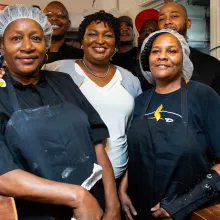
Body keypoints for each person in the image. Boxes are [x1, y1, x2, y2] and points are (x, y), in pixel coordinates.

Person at [0, 5, 119, 220]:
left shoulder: (63, 82)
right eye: (16, 39)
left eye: (36, 38)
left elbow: (98, 145)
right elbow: (3, 176)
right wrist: (77, 196)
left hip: (96, 210)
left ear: (46, 44)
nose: (27, 47)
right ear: (1, 46)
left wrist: (113, 207)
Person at [44, 11, 142, 215]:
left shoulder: (130, 80)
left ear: (116, 43)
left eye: (107, 35)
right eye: (92, 34)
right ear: (82, 40)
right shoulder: (57, 71)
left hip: (116, 181)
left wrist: (122, 188)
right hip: (70, 183)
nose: (100, 40)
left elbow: (134, 137)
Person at [119, 29, 220, 220]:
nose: (162, 57)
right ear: (147, 60)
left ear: (183, 59)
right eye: (156, 51)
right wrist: (123, 190)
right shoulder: (140, 101)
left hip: (188, 212)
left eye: (171, 51)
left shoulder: (203, 96)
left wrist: (180, 205)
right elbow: (135, 154)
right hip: (137, 210)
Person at [158, 2, 220, 95]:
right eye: (162, 19)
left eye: (174, 16)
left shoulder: (212, 65)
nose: (167, 22)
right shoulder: (152, 66)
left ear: (188, 23)